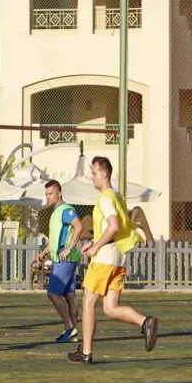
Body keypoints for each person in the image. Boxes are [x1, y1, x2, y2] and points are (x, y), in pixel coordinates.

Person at [67, 156, 158, 365]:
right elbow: (115, 230)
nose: (92, 177)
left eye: (94, 172)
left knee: (88, 303)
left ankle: (86, 352)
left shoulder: (106, 198)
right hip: (118, 258)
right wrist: (94, 242)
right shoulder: (117, 197)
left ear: (104, 174)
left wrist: (96, 247)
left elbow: (114, 226)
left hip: (105, 259)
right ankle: (145, 321)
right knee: (110, 307)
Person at [36, 180, 83, 343]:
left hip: (66, 259)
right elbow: (55, 240)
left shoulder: (66, 210)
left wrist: (69, 248)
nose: (47, 197)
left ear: (59, 193)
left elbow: (79, 226)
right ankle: (72, 331)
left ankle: (70, 327)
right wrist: (44, 252)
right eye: (46, 194)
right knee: (70, 295)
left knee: (53, 293)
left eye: (50, 194)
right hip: (61, 259)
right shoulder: (55, 212)